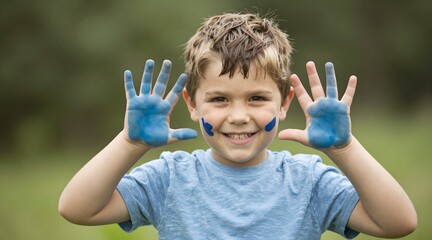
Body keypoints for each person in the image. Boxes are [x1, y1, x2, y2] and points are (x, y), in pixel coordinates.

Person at [58, 13, 417, 239]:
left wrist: (345, 149)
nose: (239, 115)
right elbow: (77, 209)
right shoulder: (170, 178)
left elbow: (398, 223)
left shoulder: (308, 180)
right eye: (219, 100)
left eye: (257, 99)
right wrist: (129, 143)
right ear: (193, 105)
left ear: (285, 102)